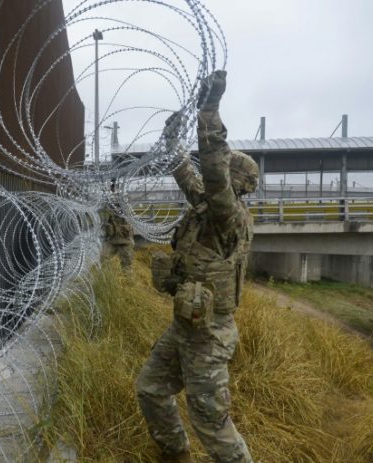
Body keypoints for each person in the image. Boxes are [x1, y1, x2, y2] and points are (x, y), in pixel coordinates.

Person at [136, 70, 259, 463]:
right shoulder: (206, 208)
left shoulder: (229, 217)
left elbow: (210, 168)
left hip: (209, 336)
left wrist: (209, 110)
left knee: (211, 422)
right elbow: (185, 171)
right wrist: (172, 138)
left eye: (223, 177)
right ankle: (176, 455)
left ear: (236, 184)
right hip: (185, 327)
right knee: (151, 389)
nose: (210, 183)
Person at [101, 182, 134, 271]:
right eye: (112, 190)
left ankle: (128, 282)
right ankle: (107, 279)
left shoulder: (125, 201)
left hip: (124, 239)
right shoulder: (108, 202)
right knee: (104, 258)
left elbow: (126, 207)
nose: (113, 192)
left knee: (127, 263)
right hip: (112, 238)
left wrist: (116, 199)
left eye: (114, 190)